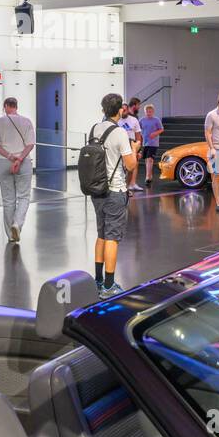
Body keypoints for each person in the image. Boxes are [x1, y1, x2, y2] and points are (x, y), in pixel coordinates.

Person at [89, 94, 136, 298]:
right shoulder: (120, 133)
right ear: (120, 111)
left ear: (103, 110)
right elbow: (131, 165)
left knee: (101, 234)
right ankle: (109, 286)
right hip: (115, 190)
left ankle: (97, 281)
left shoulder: (94, 129)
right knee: (112, 238)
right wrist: (134, 149)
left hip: (96, 189)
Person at [0, 97, 35, 244]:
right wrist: (19, 159)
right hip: (23, 163)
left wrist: (11, 157)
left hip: (4, 163)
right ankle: (17, 224)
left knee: (8, 200)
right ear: (16, 106)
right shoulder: (26, 122)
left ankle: (10, 234)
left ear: (5, 107)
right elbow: (30, 145)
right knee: (23, 196)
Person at [137, 104, 164, 189]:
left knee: (149, 159)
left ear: (153, 112)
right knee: (146, 160)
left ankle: (148, 177)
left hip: (153, 143)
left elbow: (161, 129)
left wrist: (155, 133)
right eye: (147, 112)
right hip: (145, 143)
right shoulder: (142, 120)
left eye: (150, 111)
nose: (149, 113)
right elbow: (138, 129)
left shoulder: (156, 120)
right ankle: (150, 174)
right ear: (145, 112)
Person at [119, 99, 142, 195]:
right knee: (121, 169)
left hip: (131, 146)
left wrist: (139, 150)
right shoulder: (116, 121)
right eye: (122, 110)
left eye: (125, 110)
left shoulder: (134, 120)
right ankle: (121, 188)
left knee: (131, 168)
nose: (124, 111)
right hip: (119, 147)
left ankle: (128, 187)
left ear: (128, 109)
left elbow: (138, 137)